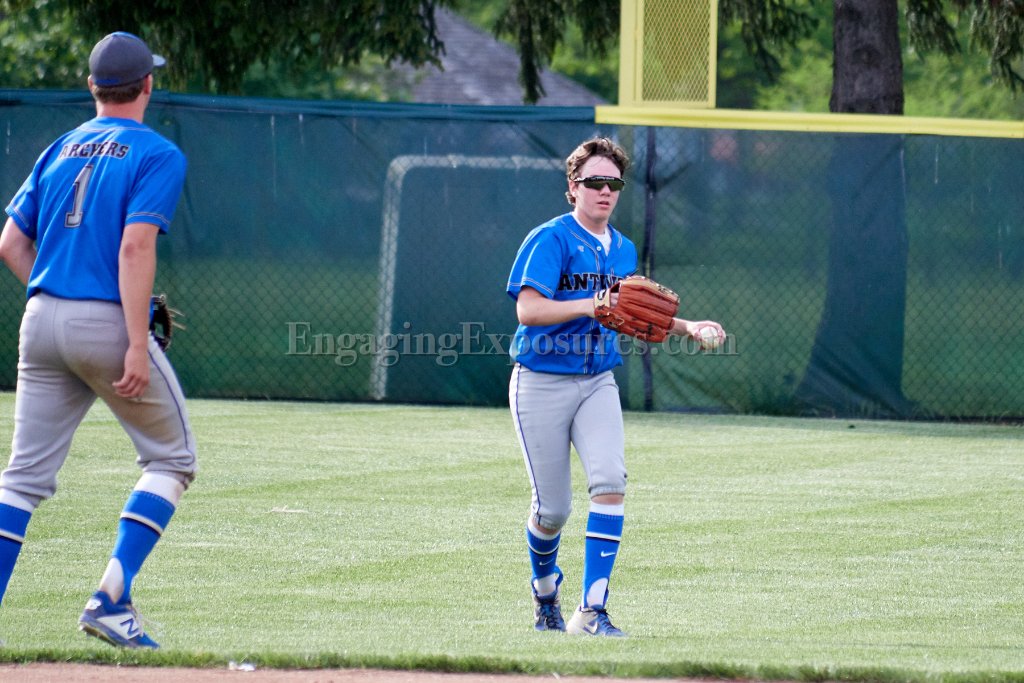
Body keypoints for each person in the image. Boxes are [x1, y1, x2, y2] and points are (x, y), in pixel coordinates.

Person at [0, 31, 196, 649]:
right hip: (106, 322)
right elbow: (135, 247)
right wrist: (136, 342)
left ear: (92, 86)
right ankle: (111, 598)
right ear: (147, 85)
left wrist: (58, 297)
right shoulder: (157, 152)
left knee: (20, 480)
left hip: (40, 317)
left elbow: (11, 243)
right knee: (172, 459)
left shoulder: (58, 148)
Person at [506, 137, 725, 637]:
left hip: (598, 382)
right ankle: (545, 593)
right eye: (595, 182)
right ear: (573, 187)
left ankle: (592, 611)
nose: (605, 191)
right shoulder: (550, 238)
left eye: (614, 183)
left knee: (610, 483)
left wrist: (688, 327)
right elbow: (528, 310)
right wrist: (592, 304)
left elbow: (635, 312)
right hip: (540, 382)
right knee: (552, 510)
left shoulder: (622, 248)